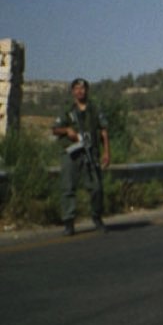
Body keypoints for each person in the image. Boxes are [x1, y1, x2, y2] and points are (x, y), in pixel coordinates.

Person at [51, 78, 110, 236]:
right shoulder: (67, 110)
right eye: (76, 88)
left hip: (90, 151)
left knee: (97, 187)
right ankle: (69, 222)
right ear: (72, 91)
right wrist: (67, 131)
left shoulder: (94, 109)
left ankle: (97, 217)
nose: (80, 91)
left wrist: (106, 152)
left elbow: (104, 130)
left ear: (87, 91)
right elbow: (55, 129)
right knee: (68, 188)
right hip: (71, 152)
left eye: (82, 88)